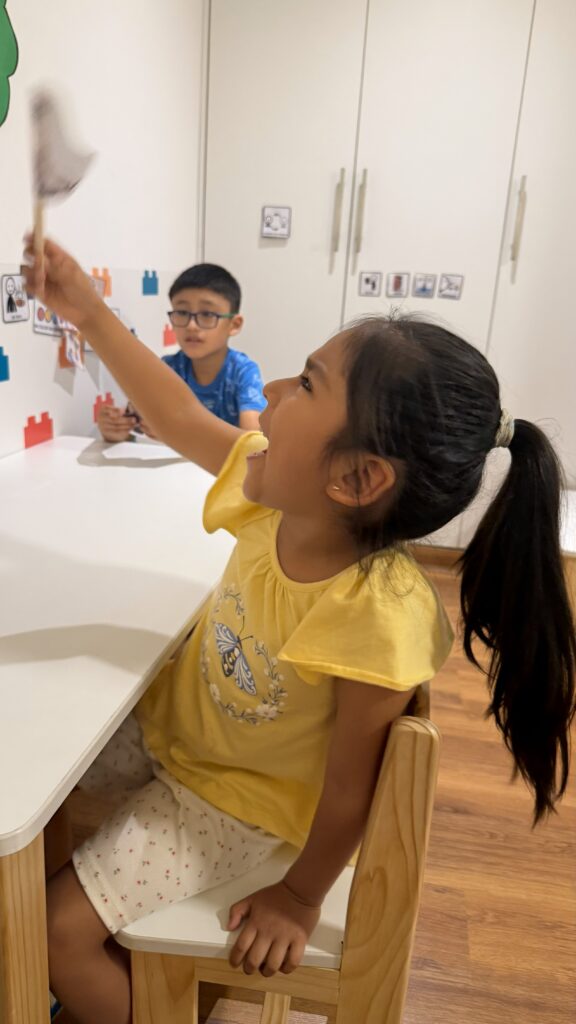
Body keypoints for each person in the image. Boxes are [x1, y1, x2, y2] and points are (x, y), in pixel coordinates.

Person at [23, 238, 575, 1024]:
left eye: (306, 384)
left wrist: (298, 895)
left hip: (232, 804)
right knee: (35, 774)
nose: (274, 387)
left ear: (355, 479)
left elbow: (350, 790)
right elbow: (178, 415)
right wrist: (86, 310)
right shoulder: (275, 496)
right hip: (179, 737)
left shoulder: (371, 614)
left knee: (53, 932)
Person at [97, 263, 265, 441]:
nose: (191, 326)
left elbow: (252, 440)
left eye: (207, 314)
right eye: (182, 312)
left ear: (234, 325)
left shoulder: (243, 372)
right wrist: (116, 430)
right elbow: (138, 416)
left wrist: (178, 434)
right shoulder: (168, 368)